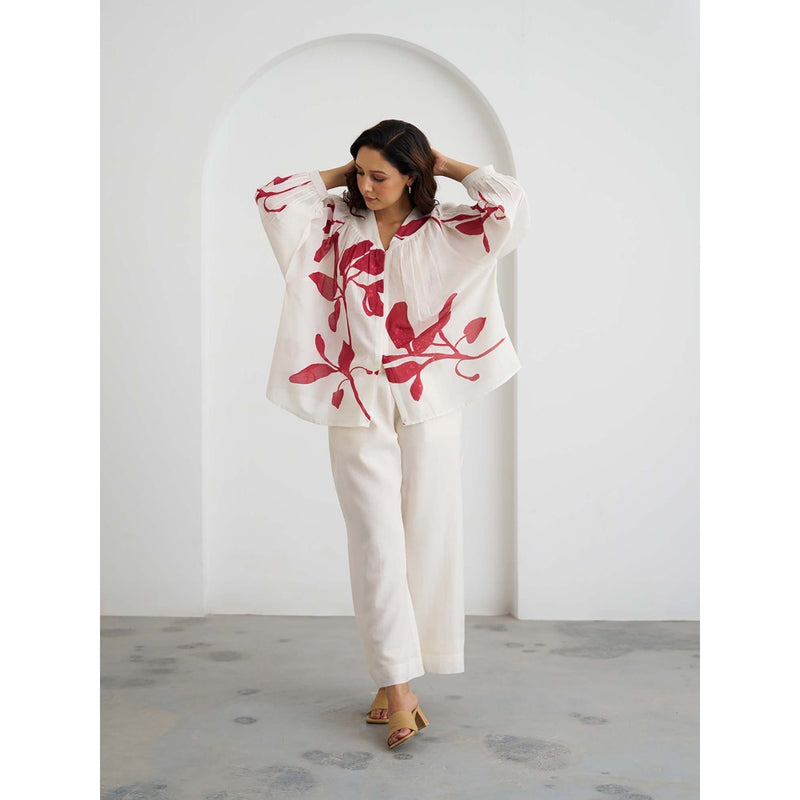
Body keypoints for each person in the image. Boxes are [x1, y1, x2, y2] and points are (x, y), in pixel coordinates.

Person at [254, 119, 529, 749]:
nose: (365, 186)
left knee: (429, 531)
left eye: (380, 176)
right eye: (359, 173)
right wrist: (345, 172)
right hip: (355, 395)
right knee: (375, 539)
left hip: (431, 397)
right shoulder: (330, 223)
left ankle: (397, 676)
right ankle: (399, 686)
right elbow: (272, 197)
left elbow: (508, 204)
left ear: (411, 176)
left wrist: (445, 163)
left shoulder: (448, 228)